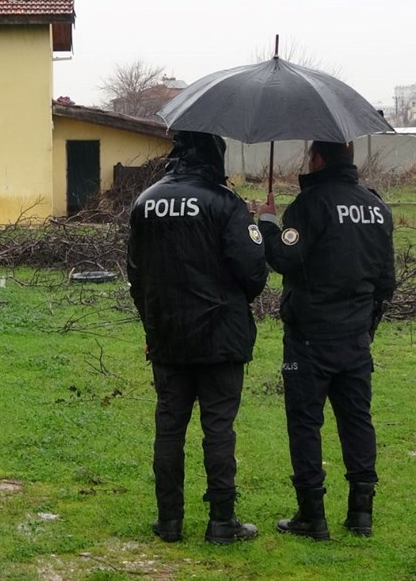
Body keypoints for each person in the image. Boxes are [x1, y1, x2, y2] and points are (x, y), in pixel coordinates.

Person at [127, 131, 268, 545]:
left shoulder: (145, 202)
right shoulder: (225, 203)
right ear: (215, 154)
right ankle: (222, 520)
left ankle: (169, 520)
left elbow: (137, 275)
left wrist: (151, 326)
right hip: (221, 337)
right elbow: (253, 275)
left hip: (167, 336)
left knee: (169, 428)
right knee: (219, 428)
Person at [257, 140, 395, 540]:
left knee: (304, 424)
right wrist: (365, 328)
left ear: (317, 159)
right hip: (355, 338)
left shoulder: (310, 204)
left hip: (309, 338)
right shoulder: (375, 206)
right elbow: (386, 280)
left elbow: (285, 259)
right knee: (356, 422)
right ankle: (361, 513)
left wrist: (267, 224)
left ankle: (311, 515)